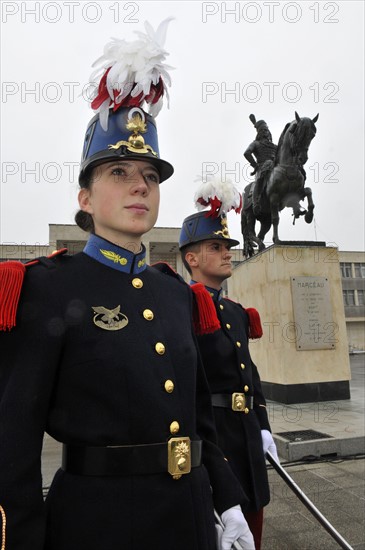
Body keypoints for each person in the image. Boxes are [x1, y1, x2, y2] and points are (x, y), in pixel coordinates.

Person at [0, 21, 256, 550]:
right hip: (98, 526)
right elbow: (12, 442)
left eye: (151, 175)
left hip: (188, 519)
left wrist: (227, 500)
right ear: (86, 199)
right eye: (118, 171)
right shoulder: (45, 288)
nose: (141, 183)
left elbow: (199, 415)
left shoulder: (177, 294)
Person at [179, 200, 280, 550]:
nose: (227, 254)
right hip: (214, 438)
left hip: (246, 435)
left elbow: (249, 373)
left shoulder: (236, 312)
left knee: (254, 522)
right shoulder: (183, 307)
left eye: (228, 247)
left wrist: (263, 426)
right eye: (216, 247)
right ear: (191, 258)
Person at [244, 114, 277, 216]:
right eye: (262, 130)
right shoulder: (255, 144)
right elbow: (247, 153)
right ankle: (256, 202)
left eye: (266, 130)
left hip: (275, 168)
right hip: (262, 168)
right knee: (267, 165)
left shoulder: (275, 146)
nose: (265, 132)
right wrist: (255, 165)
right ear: (258, 132)